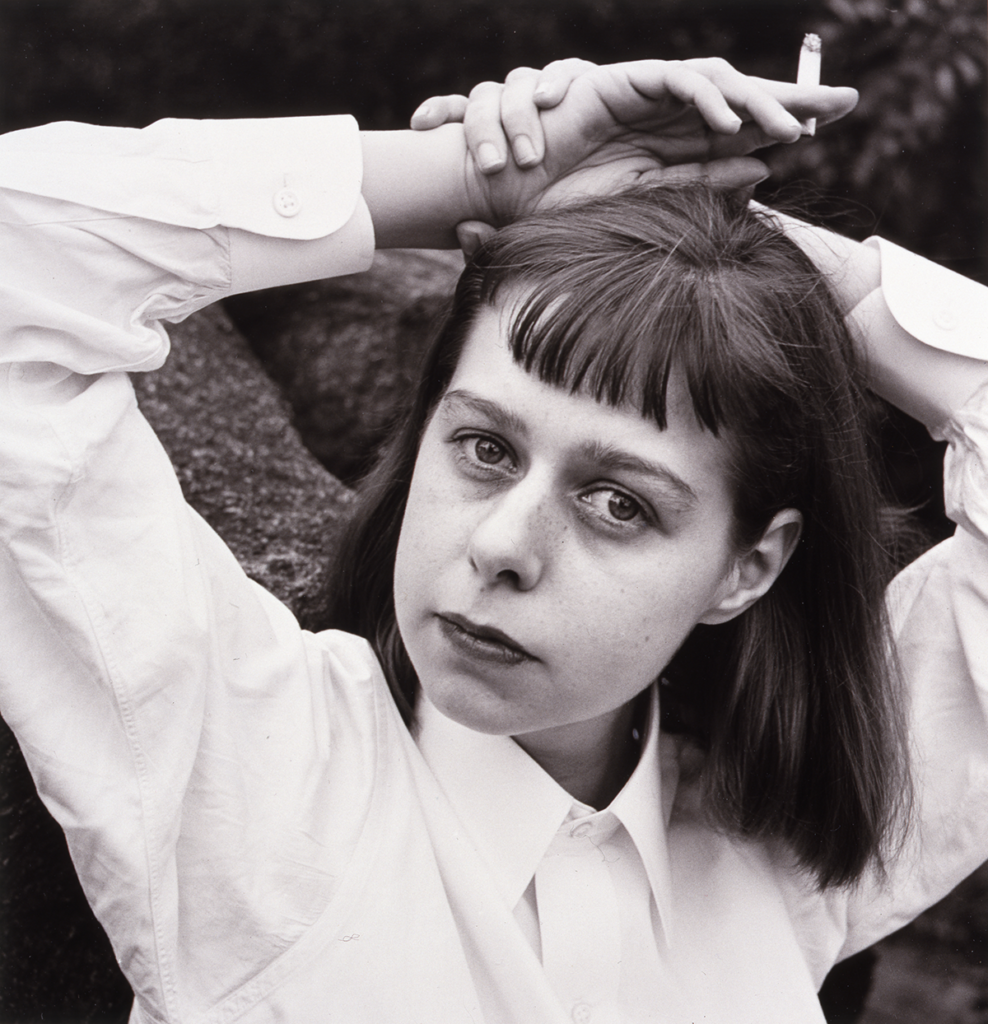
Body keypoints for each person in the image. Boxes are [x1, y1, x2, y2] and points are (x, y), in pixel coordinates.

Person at [0, 57, 985, 1024]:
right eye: (483, 447)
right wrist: (475, 178)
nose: (501, 546)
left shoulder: (781, 850)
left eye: (618, 504)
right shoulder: (249, 769)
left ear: (748, 566)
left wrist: (755, 254)